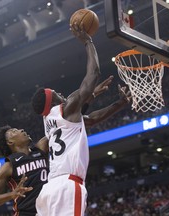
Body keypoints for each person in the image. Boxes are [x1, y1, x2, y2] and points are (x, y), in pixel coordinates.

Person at [31, 23, 131, 215]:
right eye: (57, 93)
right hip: (68, 186)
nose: (62, 93)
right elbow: (93, 74)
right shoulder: (65, 108)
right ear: (53, 100)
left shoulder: (49, 121)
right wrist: (88, 42)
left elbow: (90, 119)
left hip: (49, 189)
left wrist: (116, 103)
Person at [0, 125, 49, 216]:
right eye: (14, 131)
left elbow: (59, 129)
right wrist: (12, 194)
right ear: (10, 142)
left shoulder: (40, 148)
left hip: (50, 209)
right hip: (26, 213)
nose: (21, 129)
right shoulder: (9, 166)